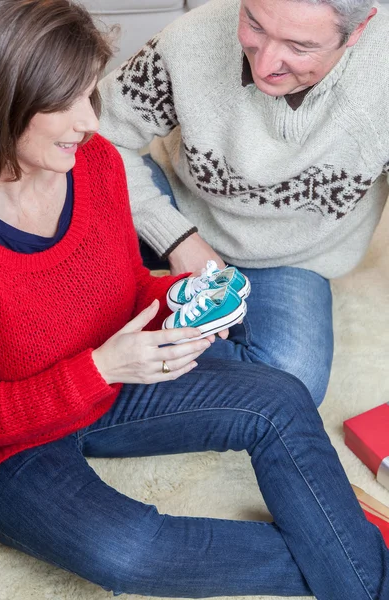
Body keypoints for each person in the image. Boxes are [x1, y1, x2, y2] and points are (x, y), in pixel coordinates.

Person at [0, 1, 388, 599]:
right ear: (4, 102)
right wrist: (100, 368)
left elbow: (122, 287)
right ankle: (357, 558)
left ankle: (352, 565)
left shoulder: (91, 162)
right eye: (64, 103)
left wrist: (185, 298)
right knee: (129, 552)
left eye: (92, 98)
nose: (92, 123)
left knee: (281, 395)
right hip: (9, 441)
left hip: (111, 377)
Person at [99, 0, 388, 408]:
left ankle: (103, 374)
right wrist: (176, 238)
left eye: (299, 46)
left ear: (358, 31)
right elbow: (98, 136)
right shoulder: (189, 40)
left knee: (292, 380)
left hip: (292, 258)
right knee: (53, 202)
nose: (266, 62)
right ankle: (76, 369)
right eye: (254, 24)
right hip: (179, 204)